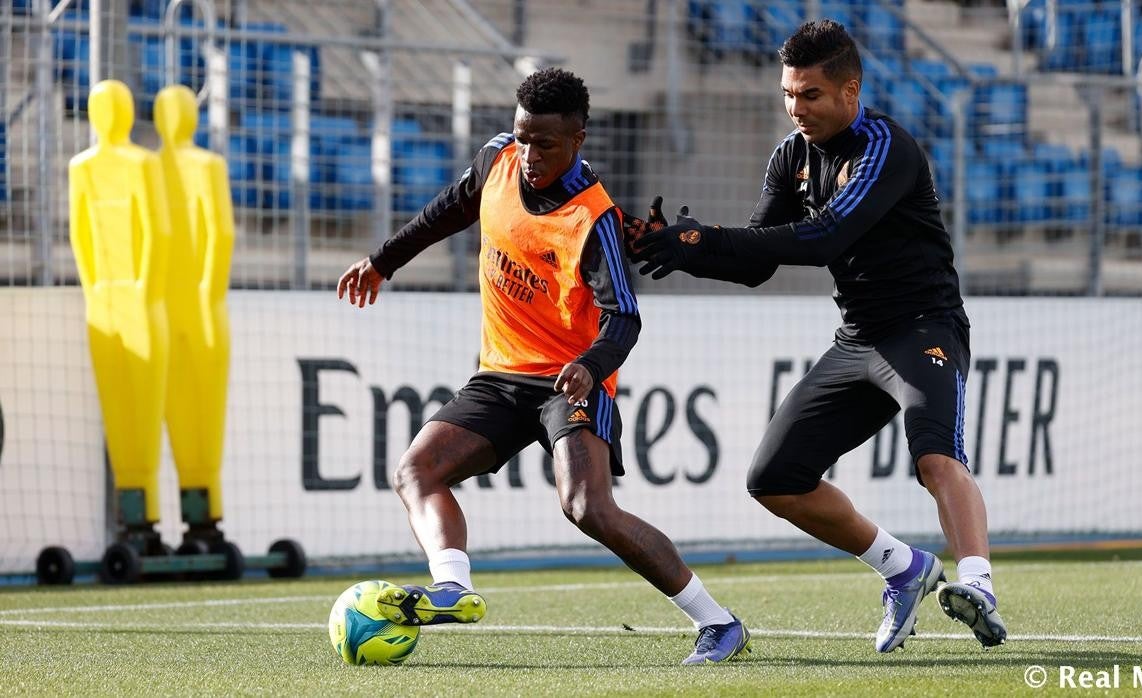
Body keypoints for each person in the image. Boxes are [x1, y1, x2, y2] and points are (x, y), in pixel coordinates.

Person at [336, 68, 750, 665]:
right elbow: (446, 211)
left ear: (577, 139)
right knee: (416, 470)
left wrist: (590, 364)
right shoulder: (497, 160)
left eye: (545, 143)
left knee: (588, 508)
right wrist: (382, 261)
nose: (529, 154)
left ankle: (719, 623)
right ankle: (453, 588)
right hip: (500, 375)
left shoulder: (594, 217)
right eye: (522, 136)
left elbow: (624, 317)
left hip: (569, 380)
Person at [630, 21, 1007, 652]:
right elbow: (756, 263)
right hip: (858, 339)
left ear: (850, 90)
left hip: (923, 328)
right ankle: (904, 570)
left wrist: (706, 239)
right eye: (788, 94)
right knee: (775, 478)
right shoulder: (790, 156)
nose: (796, 109)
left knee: (935, 457)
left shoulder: (886, 146)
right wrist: (685, 248)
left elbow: (826, 236)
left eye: (810, 95)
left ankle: (977, 583)